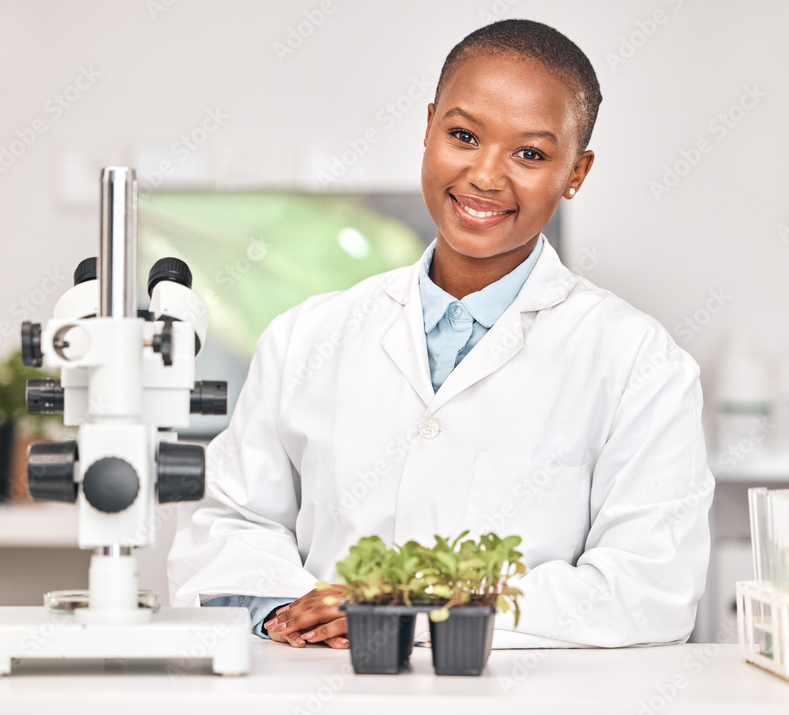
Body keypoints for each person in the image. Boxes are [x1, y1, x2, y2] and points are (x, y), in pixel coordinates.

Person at [168, 18, 713, 650]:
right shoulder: (306, 335)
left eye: (530, 153)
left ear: (576, 172)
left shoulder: (638, 362)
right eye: (463, 135)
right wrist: (290, 611)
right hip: (324, 686)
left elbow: (647, 591)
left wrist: (413, 609)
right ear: (428, 128)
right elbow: (230, 526)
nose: (485, 175)